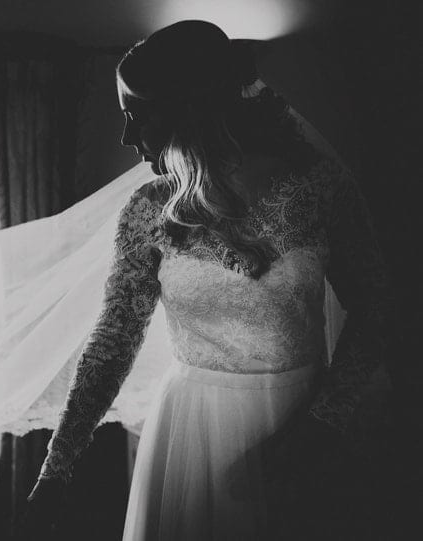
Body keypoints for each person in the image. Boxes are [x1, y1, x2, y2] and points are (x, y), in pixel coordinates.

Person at [24, 20, 392, 540]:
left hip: (302, 425)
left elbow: (376, 306)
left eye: (137, 117)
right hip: (189, 437)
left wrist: (322, 425)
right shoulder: (147, 211)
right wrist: (55, 470)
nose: (127, 137)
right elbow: (113, 341)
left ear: (186, 110)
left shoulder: (319, 188)